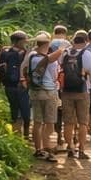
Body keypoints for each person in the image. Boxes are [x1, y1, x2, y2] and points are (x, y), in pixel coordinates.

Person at [26, 32, 61, 162]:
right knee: (50, 123)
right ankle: (48, 150)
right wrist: (62, 48)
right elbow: (54, 74)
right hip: (48, 92)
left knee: (37, 122)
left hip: (35, 92)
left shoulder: (31, 57)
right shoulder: (49, 60)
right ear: (47, 43)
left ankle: (38, 149)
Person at [60, 31, 91, 160]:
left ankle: (70, 148)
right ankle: (82, 150)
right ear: (85, 42)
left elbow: (60, 68)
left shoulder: (65, 53)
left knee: (68, 122)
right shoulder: (86, 53)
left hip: (66, 92)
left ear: (73, 41)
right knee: (83, 122)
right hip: (82, 91)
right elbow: (90, 69)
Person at [0, 31, 31, 140]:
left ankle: (21, 133)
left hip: (15, 85)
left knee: (20, 109)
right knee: (20, 109)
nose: (25, 43)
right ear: (17, 41)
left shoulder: (6, 52)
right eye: (23, 41)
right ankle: (21, 133)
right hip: (18, 85)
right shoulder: (23, 53)